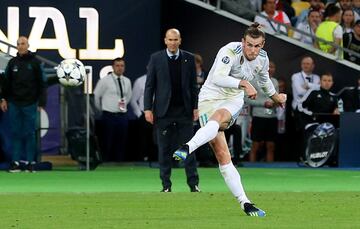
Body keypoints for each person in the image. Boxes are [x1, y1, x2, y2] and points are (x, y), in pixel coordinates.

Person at [173, 23, 287, 217]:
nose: (252, 50)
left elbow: (264, 81)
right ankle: (245, 203)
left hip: (233, 99)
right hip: (209, 96)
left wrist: (275, 96)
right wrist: (243, 83)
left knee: (219, 118)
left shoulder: (263, 58)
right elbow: (218, 77)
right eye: (249, 44)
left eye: (257, 46)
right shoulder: (229, 51)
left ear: (263, 45)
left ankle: (187, 147)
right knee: (223, 155)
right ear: (243, 41)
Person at [144, 28, 200, 193]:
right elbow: (150, 86)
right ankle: (166, 186)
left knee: (189, 148)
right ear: (165, 40)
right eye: (170, 39)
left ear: (180, 40)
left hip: (184, 111)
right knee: (164, 150)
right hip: (163, 112)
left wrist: (196, 107)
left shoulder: (189, 58)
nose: (173, 43)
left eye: (176, 40)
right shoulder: (156, 58)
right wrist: (147, 108)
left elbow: (193, 86)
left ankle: (194, 185)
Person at [0, 36, 47, 172]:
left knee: (29, 133)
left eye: (23, 44)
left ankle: (30, 162)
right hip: (14, 103)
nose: (21, 46)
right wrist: (3, 99)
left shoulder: (35, 63)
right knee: (15, 132)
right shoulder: (12, 63)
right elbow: (6, 83)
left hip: (30, 103)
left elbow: (42, 83)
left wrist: (41, 102)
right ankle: (15, 162)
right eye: (18, 44)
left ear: (28, 45)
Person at [94, 58, 132, 162]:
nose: (120, 68)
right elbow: (96, 96)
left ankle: (120, 163)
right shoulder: (105, 81)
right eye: (117, 66)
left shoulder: (127, 81)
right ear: (113, 67)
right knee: (107, 141)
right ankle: (105, 163)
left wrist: (122, 106)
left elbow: (128, 96)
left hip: (122, 115)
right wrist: (102, 109)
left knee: (121, 141)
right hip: (109, 115)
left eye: (122, 66)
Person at [245, 61, 279, 162]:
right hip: (258, 116)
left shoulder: (275, 82)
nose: (270, 69)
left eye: (272, 67)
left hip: (272, 117)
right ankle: (252, 168)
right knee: (255, 144)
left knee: (271, 145)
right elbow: (247, 99)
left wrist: (276, 102)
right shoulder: (254, 81)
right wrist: (263, 103)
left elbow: (277, 99)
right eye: (268, 67)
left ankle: (270, 170)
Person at [130, 73, 156, 161]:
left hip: (159, 115)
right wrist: (139, 114)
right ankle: (143, 159)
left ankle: (156, 158)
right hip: (144, 114)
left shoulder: (163, 80)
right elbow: (133, 99)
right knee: (144, 139)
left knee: (157, 139)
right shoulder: (140, 81)